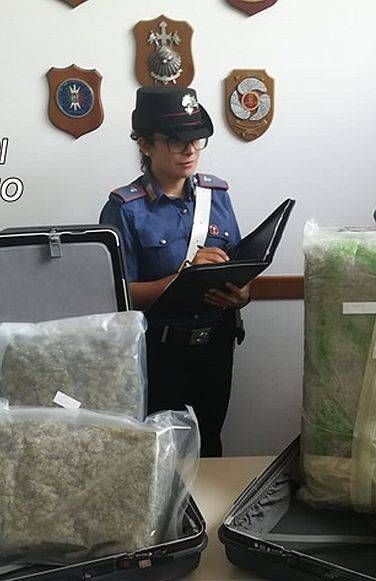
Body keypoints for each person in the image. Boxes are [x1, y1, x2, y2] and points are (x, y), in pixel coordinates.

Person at [100, 86, 249, 457]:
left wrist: (242, 294)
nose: (190, 150)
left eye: (197, 139)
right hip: (158, 353)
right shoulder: (125, 209)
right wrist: (183, 279)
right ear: (145, 144)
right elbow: (118, 294)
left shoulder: (218, 197)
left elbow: (240, 268)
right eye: (177, 141)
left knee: (210, 447)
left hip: (215, 348)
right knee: (156, 453)